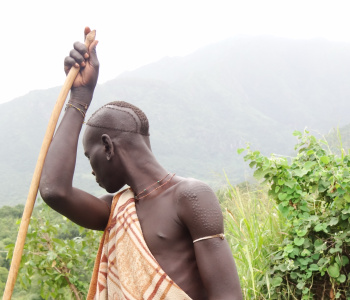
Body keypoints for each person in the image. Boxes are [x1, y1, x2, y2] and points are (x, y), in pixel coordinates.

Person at [39, 27, 242, 300]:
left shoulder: (191, 196)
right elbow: (55, 191)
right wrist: (79, 98)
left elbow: (227, 296)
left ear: (108, 147)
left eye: (90, 156)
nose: (91, 169)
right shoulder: (116, 210)